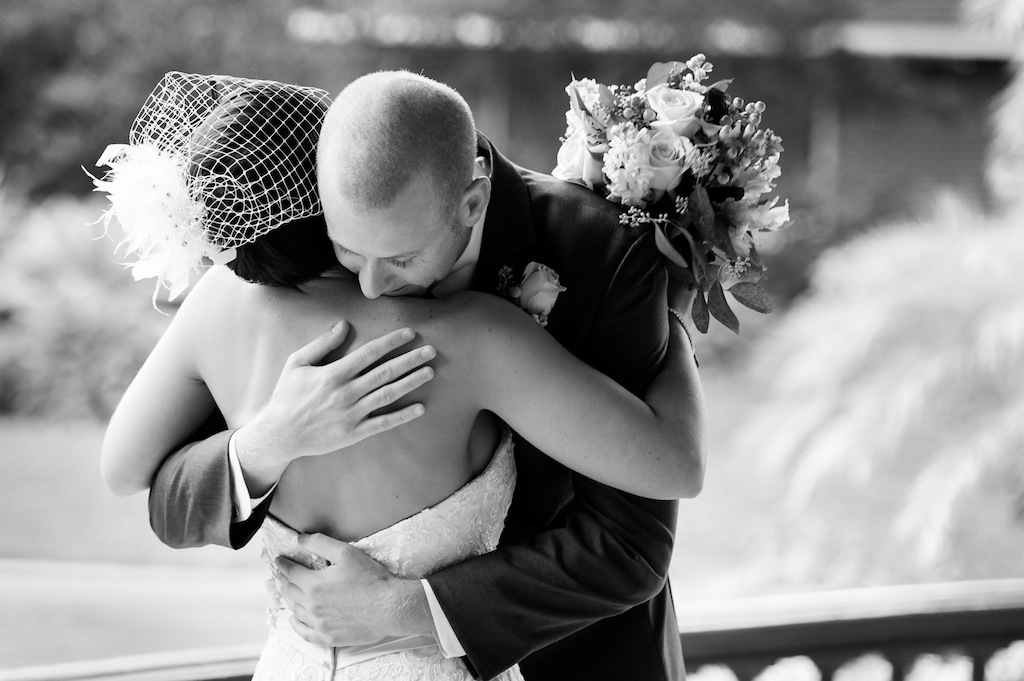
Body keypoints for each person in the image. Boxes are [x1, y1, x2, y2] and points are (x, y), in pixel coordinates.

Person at [129, 71, 705, 681]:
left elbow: (631, 543)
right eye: (350, 255)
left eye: (401, 260)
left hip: (580, 657)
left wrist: (406, 609)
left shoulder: (604, 252)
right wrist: (269, 439)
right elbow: (168, 493)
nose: (370, 287)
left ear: (474, 203)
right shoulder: (337, 222)